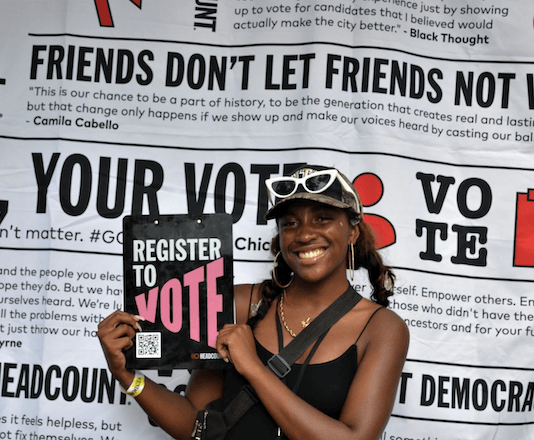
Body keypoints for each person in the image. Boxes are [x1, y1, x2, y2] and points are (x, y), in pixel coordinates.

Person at [98, 164, 409, 440]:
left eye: (323, 218)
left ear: (353, 232)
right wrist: (128, 377)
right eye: (290, 223)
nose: (303, 235)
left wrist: (254, 368)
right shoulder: (242, 304)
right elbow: (197, 426)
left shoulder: (381, 328)